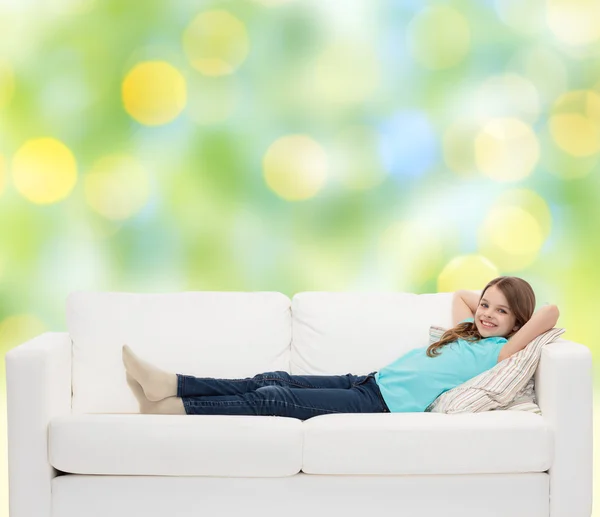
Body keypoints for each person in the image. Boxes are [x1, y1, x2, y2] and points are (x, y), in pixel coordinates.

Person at [122, 276, 559, 419]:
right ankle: (172, 383)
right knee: (272, 379)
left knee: (277, 399)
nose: (485, 313)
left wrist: (513, 319)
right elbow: (462, 297)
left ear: (516, 323)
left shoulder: (499, 352)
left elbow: (550, 313)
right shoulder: (466, 331)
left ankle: (176, 407)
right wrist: (484, 302)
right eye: (486, 305)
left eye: (500, 312)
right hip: (368, 380)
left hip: (380, 404)